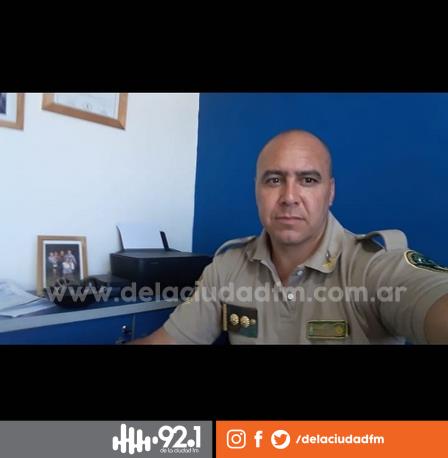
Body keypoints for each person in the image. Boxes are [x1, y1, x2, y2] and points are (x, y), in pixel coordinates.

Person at [129, 129, 448, 344]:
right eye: (274, 180)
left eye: (308, 180)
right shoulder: (227, 267)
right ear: (256, 190)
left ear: (330, 193)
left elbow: (431, 299)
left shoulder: (373, 267)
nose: (289, 197)